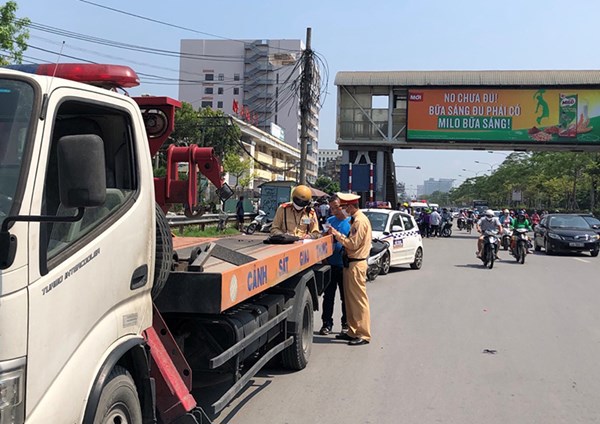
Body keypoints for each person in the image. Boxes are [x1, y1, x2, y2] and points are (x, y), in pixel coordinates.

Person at [328, 192, 372, 346]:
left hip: (356, 263)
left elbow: (352, 244)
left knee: (359, 301)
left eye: (345, 206)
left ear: (352, 206)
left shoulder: (359, 221)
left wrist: (336, 234)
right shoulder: (355, 219)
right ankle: (352, 331)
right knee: (350, 300)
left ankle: (363, 334)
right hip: (350, 263)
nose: (344, 209)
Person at [319, 195, 350, 336]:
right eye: (331, 208)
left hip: (345, 266)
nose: (334, 211)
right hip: (330, 264)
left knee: (346, 297)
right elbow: (323, 241)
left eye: (336, 207)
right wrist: (324, 259)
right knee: (328, 296)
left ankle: (346, 324)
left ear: (342, 206)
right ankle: (326, 324)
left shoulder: (351, 221)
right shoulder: (329, 221)